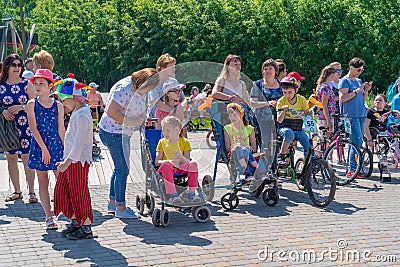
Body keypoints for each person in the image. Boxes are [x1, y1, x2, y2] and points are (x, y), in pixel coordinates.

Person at [99, 68, 159, 219]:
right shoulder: (125, 88)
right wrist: (132, 121)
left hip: (121, 132)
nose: (149, 91)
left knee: (119, 169)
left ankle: (113, 203)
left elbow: (141, 107)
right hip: (114, 132)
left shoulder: (139, 88)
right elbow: (111, 111)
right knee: (123, 169)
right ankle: (121, 207)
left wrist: (142, 118)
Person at [53, 81, 94, 240]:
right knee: (67, 191)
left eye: (63, 100)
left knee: (79, 193)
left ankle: (86, 226)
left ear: (75, 98)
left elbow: (78, 145)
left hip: (78, 162)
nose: (62, 104)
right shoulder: (77, 113)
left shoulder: (83, 116)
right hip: (71, 161)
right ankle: (76, 220)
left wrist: (66, 163)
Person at [26, 69, 65, 230]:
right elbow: (33, 129)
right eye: (35, 83)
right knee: (43, 182)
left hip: (56, 144)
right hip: (39, 144)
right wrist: (44, 149)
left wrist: (66, 149)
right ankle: (48, 216)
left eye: (41, 83)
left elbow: (61, 129)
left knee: (61, 180)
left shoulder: (58, 105)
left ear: (51, 86)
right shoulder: (31, 104)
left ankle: (63, 209)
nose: (37, 86)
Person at [0, 54, 36, 203]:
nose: (16, 68)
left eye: (19, 65)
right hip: (8, 127)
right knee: (11, 158)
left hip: (25, 125)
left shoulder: (27, 84)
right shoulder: (0, 85)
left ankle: (32, 192)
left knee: (27, 158)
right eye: (13, 65)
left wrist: (21, 107)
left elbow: (35, 103)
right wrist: (3, 110)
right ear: (7, 66)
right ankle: (17, 191)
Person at [339, 57, 372, 178]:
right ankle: (351, 169)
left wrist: (366, 91)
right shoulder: (344, 81)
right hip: (350, 115)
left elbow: (362, 99)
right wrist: (358, 90)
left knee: (358, 140)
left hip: (361, 113)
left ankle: (353, 167)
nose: (359, 72)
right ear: (351, 68)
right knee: (356, 140)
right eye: (358, 70)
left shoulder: (359, 81)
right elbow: (343, 98)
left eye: (361, 70)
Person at [155, 116, 200, 204]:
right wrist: (168, 162)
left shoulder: (185, 142)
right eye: (163, 131)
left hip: (180, 167)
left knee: (193, 164)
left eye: (167, 131)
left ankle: (191, 193)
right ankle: (173, 195)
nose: (165, 133)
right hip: (167, 169)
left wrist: (181, 157)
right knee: (166, 165)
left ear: (177, 130)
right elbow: (157, 162)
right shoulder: (162, 142)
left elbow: (187, 161)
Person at [223, 103, 265, 181]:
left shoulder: (249, 128)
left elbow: (254, 147)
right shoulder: (227, 128)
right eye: (230, 115)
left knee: (245, 149)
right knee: (239, 148)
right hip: (234, 153)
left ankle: (259, 172)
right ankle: (246, 173)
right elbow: (228, 148)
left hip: (247, 151)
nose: (232, 117)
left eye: (235, 115)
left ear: (241, 115)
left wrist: (249, 147)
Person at [276, 76, 311, 166]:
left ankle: (309, 163)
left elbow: (307, 112)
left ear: (296, 90)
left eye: (290, 92)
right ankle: (281, 156)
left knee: (307, 143)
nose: (287, 95)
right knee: (289, 133)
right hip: (285, 127)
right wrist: (283, 111)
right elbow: (279, 120)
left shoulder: (301, 100)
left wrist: (309, 112)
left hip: (298, 128)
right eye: (284, 92)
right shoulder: (281, 101)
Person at [250, 59, 281, 152]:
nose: (267, 71)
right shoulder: (258, 84)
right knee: (265, 145)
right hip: (261, 119)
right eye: (265, 68)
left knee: (278, 144)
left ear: (275, 70)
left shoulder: (281, 84)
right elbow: (253, 102)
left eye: (270, 68)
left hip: (279, 118)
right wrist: (267, 103)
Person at [147, 53, 185, 118]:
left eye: (174, 67)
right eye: (171, 67)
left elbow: (183, 99)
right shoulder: (154, 83)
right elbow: (158, 104)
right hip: (155, 119)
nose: (174, 69)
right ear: (162, 68)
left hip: (171, 117)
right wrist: (175, 112)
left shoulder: (174, 81)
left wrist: (181, 110)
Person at [315, 66, 338, 132]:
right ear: (332, 75)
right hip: (325, 117)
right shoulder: (325, 88)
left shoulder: (324, 85)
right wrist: (328, 120)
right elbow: (324, 104)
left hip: (327, 116)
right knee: (326, 139)